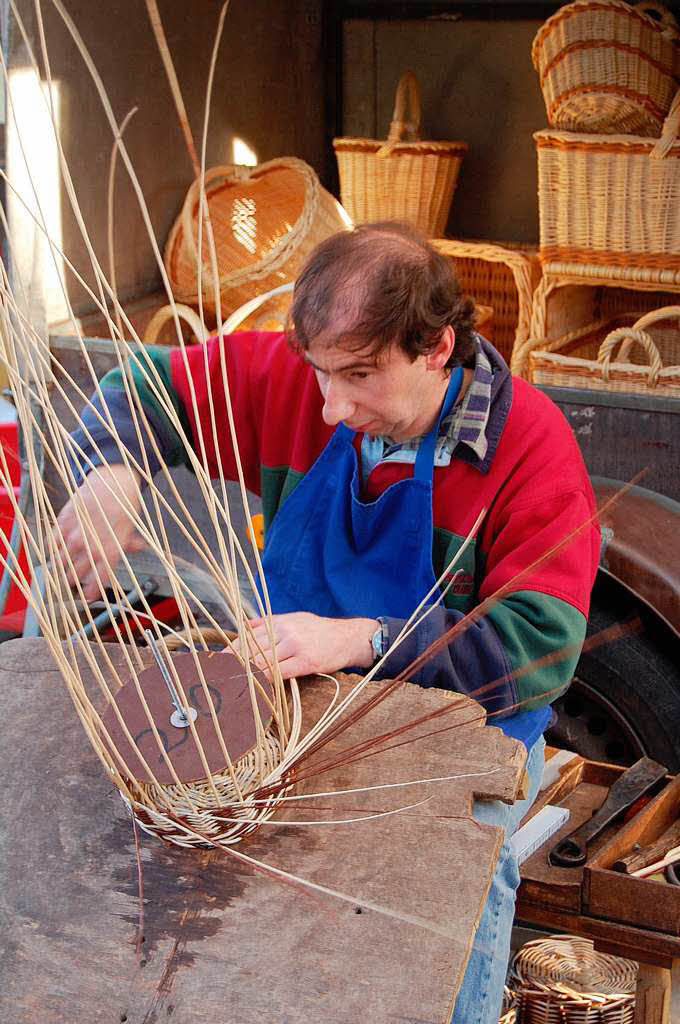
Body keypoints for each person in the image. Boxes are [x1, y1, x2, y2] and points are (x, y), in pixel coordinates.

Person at [57, 221, 600, 1024]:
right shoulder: (307, 379)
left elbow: (540, 648)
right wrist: (111, 467)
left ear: (437, 349)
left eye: (360, 378)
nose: (331, 406)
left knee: (434, 972)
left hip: (450, 762)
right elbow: (140, 385)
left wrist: (364, 641)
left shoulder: (531, 450)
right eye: (319, 374)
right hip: (292, 726)